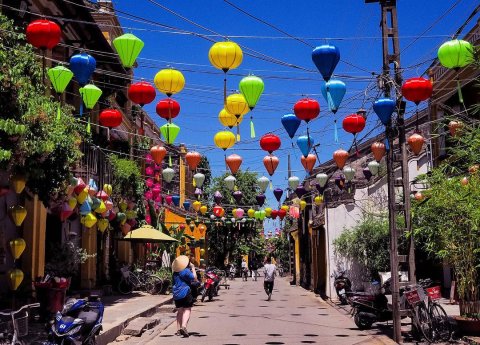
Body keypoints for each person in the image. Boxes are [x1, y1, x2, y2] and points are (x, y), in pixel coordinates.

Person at [172, 255, 197, 337]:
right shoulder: (185, 271)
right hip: (185, 292)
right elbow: (194, 278)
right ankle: (184, 326)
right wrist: (193, 268)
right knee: (187, 309)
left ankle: (178, 330)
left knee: (179, 311)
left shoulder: (175, 273)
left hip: (176, 294)